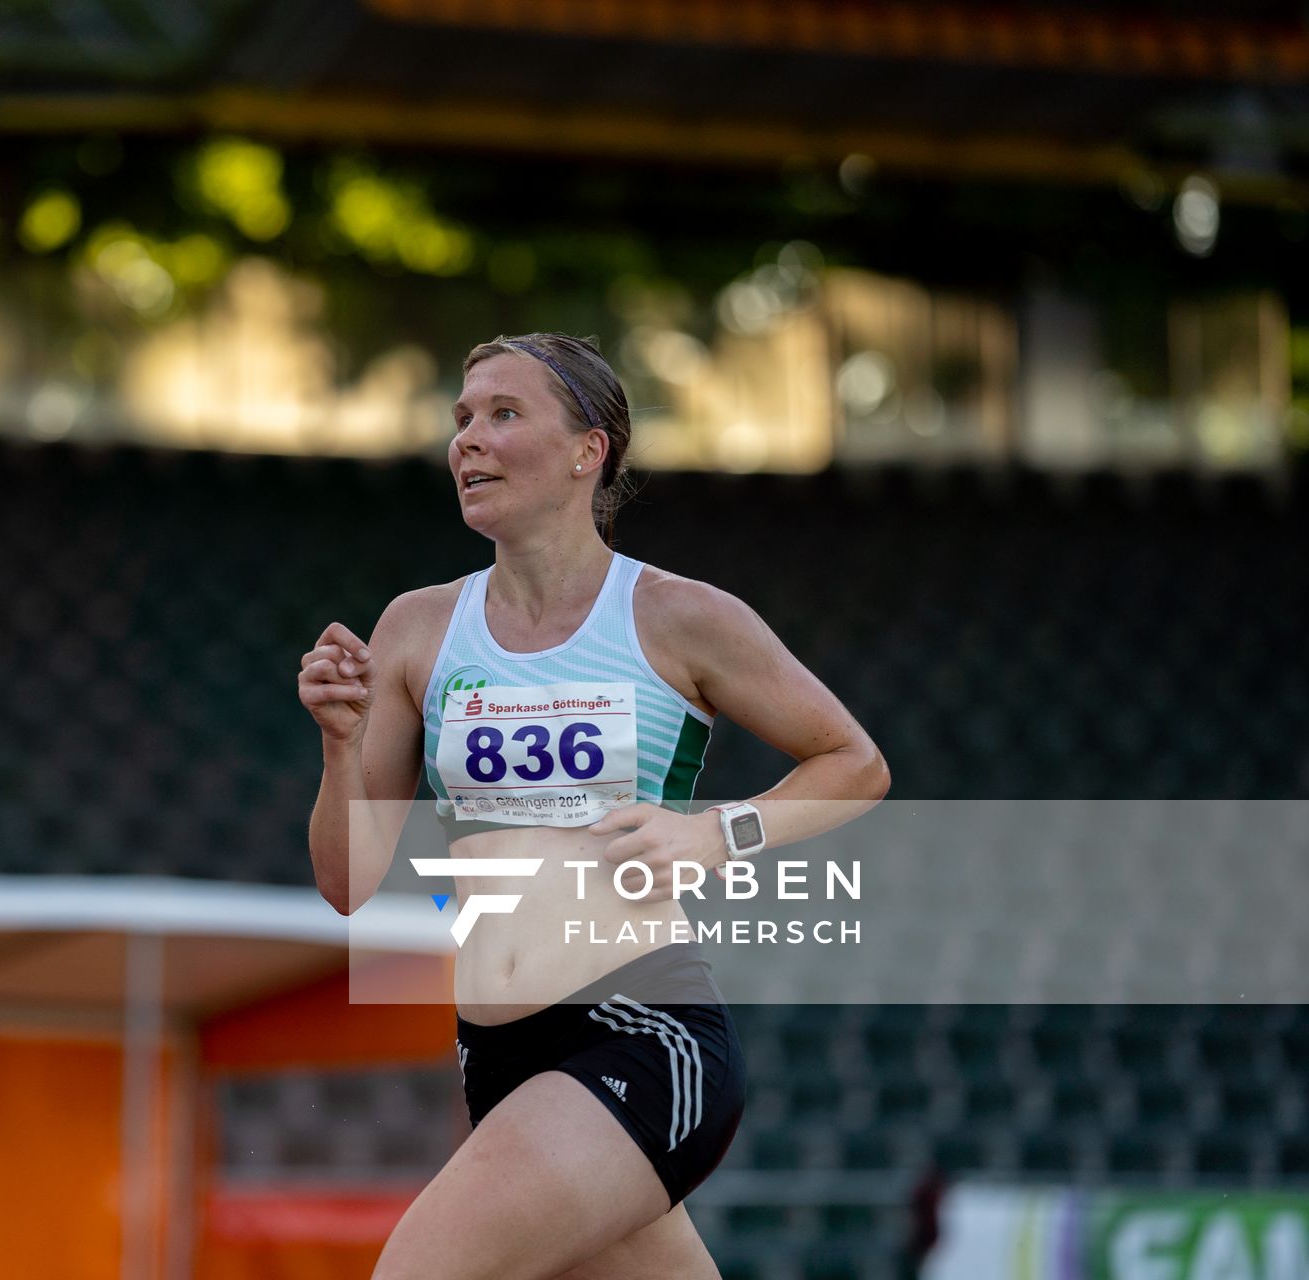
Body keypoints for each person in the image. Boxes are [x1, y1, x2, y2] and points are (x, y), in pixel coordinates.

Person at [299, 331, 890, 1280]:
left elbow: (855, 763)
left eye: (503, 414)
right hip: (496, 1060)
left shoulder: (675, 615)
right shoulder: (417, 627)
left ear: (589, 451)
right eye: (461, 420)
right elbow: (346, 883)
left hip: (643, 1032)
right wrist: (339, 742)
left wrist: (716, 832)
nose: (467, 441)